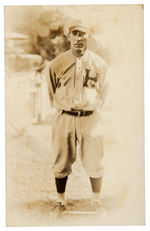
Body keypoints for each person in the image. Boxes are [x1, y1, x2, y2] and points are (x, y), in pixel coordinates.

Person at [48, 20, 109, 209]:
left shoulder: (99, 63)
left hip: (91, 118)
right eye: (75, 34)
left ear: (88, 37)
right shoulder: (57, 63)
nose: (79, 38)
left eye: (83, 34)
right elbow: (51, 92)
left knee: (94, 158)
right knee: (61, 159)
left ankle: (96, 199)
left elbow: (104, 92)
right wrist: (64, 107)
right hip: (65, 117)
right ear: (69, 37)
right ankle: (60, 199)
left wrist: (91, 107)